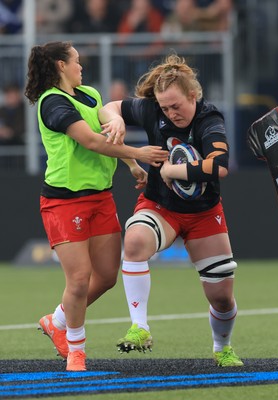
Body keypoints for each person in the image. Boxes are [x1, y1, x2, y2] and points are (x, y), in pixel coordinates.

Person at [24, 41, 168, 372]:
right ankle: (76, 350)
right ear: (61, 65)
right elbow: (89, 140)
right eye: (76, 61)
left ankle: (56, 320)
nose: (81, 66)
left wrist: (129, 164)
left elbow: (107, 133)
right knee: (78, 279)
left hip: (100, 196)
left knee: (105, 277)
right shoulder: (52, 102)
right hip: (64, 200)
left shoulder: (88, 93)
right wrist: (139, 154)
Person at [98, 53, 243, 367]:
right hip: (160, 206)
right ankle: (140, 327)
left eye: (176, 106)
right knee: (134, 240)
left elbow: (219, 165)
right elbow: (108, 107)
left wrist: (170, 171)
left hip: (204, 212)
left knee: (221, 297)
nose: (170, 113)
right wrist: (116, 119)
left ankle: (222, 347)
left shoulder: (209, 118)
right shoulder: (152, 110)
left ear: (193, 95)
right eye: (165, 108)